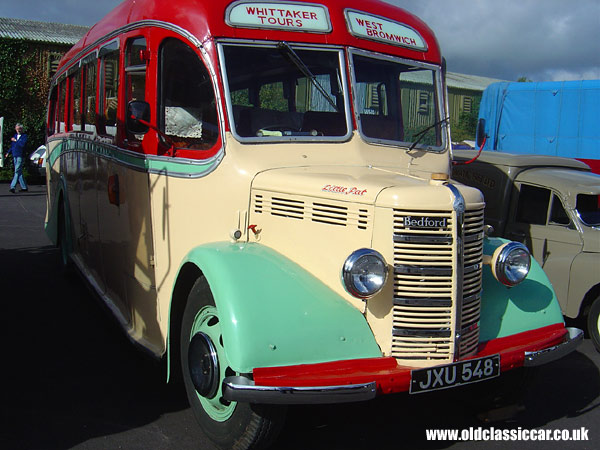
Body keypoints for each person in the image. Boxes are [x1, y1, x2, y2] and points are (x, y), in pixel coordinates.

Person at [5, 123, 28, 193]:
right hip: (15, 154)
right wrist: (8, 152)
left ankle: (12, 187)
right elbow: (12, 146)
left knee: (17, 171)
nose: (18, 130)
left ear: (22, 129)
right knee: (19, 171)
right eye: (17, 129)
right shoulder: (15, 136)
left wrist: (16, 141)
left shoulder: (24, 136)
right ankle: (24, 187)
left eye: (19, 129)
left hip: (20, 155)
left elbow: (22, 145)